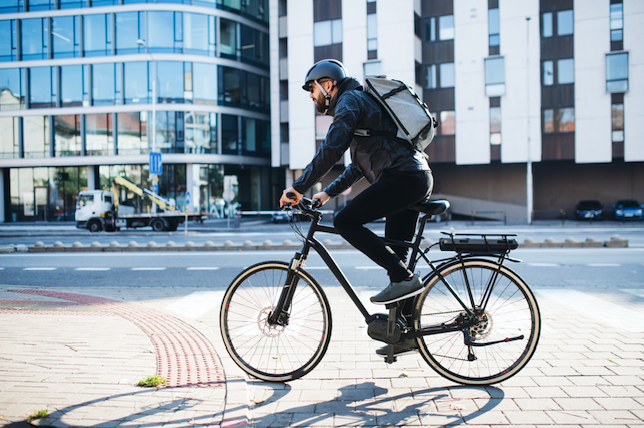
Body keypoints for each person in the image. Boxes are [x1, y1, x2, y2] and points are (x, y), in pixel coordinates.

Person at [279, 59, 433, 353]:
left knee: (344, 222)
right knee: (397, 261)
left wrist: (298, 188)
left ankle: (404, 280)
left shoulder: (349, 101)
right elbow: (359, 165)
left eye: (312, 89)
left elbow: (331, 148)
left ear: (328, 84)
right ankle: (405, 336)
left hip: (404, 178)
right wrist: (326, 194)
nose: (312, 96)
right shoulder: (359, 102)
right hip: (413, 176)